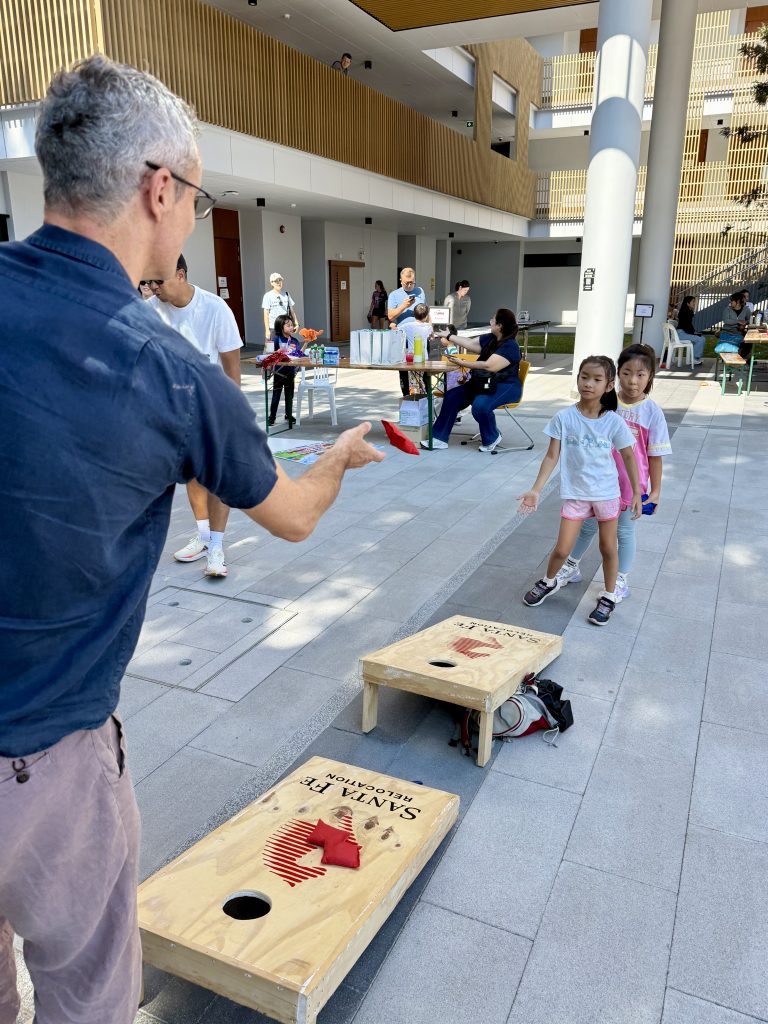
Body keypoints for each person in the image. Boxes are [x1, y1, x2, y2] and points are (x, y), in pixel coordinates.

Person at [0, 55, 383, 1024]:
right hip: (47, 755)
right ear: (159, 188)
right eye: (199, 199)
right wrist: (339, 455)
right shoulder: (168, 371)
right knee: (88, 993)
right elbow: (291, 514)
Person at [519, 355, 642, 626]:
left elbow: (628, 456)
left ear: (609, 385)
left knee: (608, 548)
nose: (588, 384)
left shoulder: (613, 421)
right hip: (575, 495)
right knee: (562, 549)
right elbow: (552, 456)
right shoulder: (564, 417)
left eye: (597, 379)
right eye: (584, 377)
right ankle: (549, 581)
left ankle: (609, 595)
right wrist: (536, 489)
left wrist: (636, 492)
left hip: (606, 494)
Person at [149, 254, 243, 577]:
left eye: (158, 281)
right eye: (148, 282)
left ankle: (216, 547)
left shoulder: (215, 309)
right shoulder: (150, 312)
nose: (153, 288)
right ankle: (203, 536)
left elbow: (232, 369)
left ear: (180, 274)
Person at [556, 344, 671, 602]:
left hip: (630, 486)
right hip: (597, 483)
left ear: (650, 376)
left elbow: (655, 456)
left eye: (640, 375)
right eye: (627, 373)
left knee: (624, 532)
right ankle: (571, 566)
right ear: (617, 374)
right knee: (586, 527)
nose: (633, 381)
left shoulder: (652, 412)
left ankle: (620, 580)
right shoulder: (607, 403)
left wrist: (655, 491)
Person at [424, 308, 522, 453]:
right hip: (484, 382)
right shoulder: (491, 338)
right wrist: (449, 336)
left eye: (493, 319)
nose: (490, 321)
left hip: (506, 386)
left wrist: (463, 363)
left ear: (500, 326)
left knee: (480, 405)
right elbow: (470, 343)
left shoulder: (510, 346)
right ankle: (439, 438)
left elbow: (489, 366)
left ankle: (492, 437)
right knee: (452, 396)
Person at [387, 267, 426, 397]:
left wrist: (430, 326)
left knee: (422, 369)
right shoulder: (394, 295)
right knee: (404, 370)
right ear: (400, 281)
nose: (409, 285)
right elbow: (390, 316)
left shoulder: (420, 291)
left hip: (420, 337)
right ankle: (406, 397)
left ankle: (423, 397)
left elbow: (426, 311)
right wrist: (404, 306)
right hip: (403, 339)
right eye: (406, 283)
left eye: (412, 282)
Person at [269, 313, 305, 426]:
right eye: (288, 325)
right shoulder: (275, 339)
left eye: (292, 325)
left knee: (290, 395)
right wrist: (277, 352)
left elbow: (299, 354)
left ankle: (288, 414)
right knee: (276, 395)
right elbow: (269, 353)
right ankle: (272, 417)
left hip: (290, 372)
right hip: (278, 372)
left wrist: (306, 343)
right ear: (281, 327)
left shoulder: (294, 341)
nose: (291, 327)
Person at [262, 272, 299, 345]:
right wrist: (267, 330)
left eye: (280, 280)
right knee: (272, 348)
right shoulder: (268, 296)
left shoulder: (286, 294)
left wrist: (296, 323)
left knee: (286, 348)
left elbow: (292, 311)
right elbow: (266, 314)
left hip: (285, 327)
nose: (279, 283)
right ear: (272, 283)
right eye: (276, 281)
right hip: (273, 327)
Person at [674, 295, 705, 366]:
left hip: (682, 333)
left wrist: (694, 332)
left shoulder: (687, 312)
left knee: (702, 338)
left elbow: (688, 326)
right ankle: (694, 358)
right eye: (693, 302)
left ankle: (695, 358)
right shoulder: (685, 312)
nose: (694, 303)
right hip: (681, 334)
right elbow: (686, 326)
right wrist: (694, 333)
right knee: (701, 339)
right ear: (688, 303)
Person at [715, 292, 748, 356]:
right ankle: (733, 356)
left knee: (747, 342)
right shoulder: (727, 309)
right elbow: (726, 321)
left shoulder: (746, 310)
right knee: (736, 343)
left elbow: (749, 320)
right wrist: (738, 321)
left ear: (738, 301)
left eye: (732, 300)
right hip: (727, 331)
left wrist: (744, 324)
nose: (730, 302)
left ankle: (742, 358)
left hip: (739, 332)